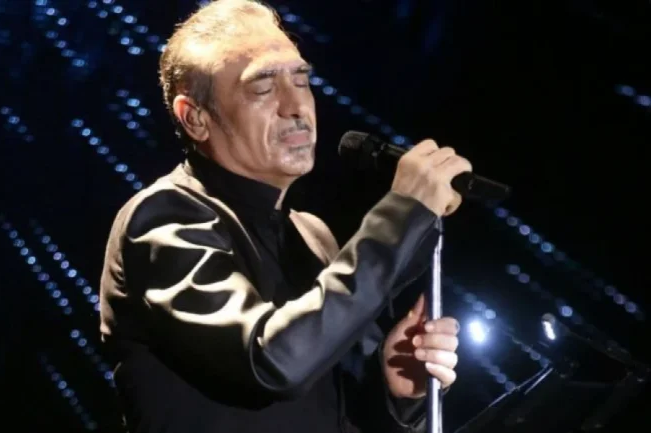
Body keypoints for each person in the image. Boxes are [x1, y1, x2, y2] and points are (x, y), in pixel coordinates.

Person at [99, 1, 471, 432]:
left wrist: (394, 391)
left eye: (301, 80)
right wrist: (400, 215)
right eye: (263, 88)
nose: (297, 106)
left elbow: (331, 408)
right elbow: (271, 361)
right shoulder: (162, 220)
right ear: (196, 118)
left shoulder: (312, 235)